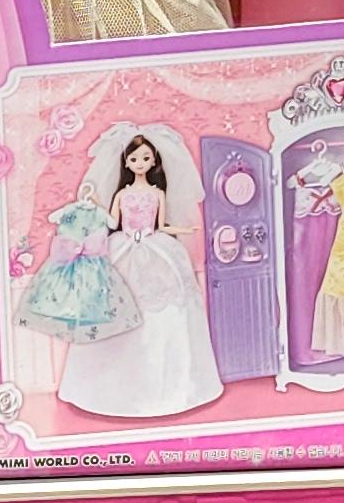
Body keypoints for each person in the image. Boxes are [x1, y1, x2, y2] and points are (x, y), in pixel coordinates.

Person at [28, 128, 224, 421]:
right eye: (134, 159)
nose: (139, 163)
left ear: (153, 161)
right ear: (127, 162)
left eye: (145, 158)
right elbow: (113, 223)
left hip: (156, 248)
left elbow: (161, 224)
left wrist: (182, 230)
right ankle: (111, 385)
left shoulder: (157, 194)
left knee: (166, 307)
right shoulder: (122, 194)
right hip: (123, 247)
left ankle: (169, 385)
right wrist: (91, 217)